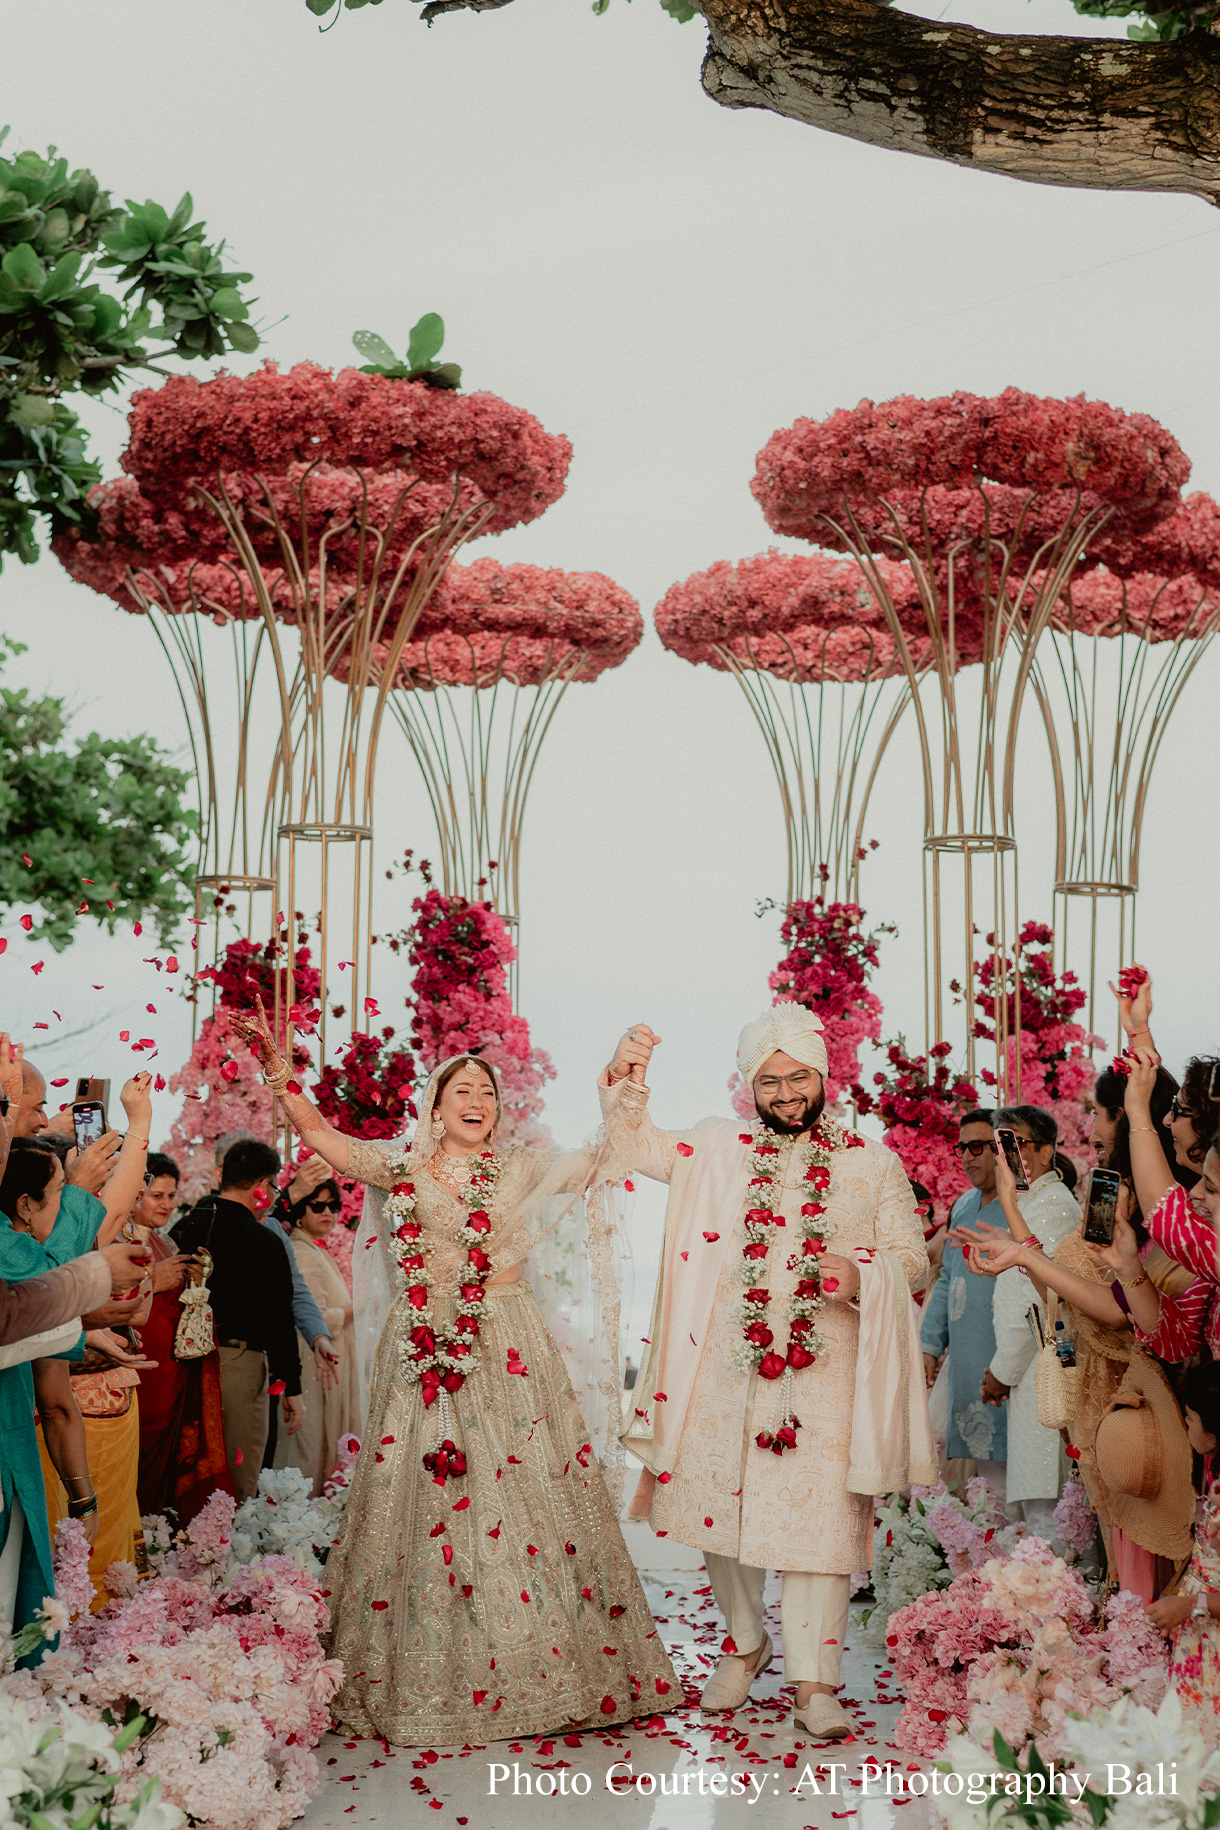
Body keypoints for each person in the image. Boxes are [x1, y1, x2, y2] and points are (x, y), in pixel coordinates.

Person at [229, 997, 678, 1746]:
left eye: (488, 1093)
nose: (478, 1101)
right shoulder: (398, 1164)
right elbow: (321, 1137)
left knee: (526, 1490)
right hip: (421, 1348)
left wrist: (623, 1088)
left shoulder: (520, 1168)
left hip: (507, 1343)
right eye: (461, 1090)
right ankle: (421, 1664)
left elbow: (601, 1160)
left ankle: (550, 1663)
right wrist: (278, 1071)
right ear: (434, 1106)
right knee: (428, 1494)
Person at [612, 1003, 933, 1742]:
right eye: (769, 1083)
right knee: (717, 1512)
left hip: (826, 1376)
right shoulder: (719, 1152)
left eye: (798, 1078)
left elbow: (912, 1257)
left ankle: (815, 1682)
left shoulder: (871, 1162)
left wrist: (858, 1272)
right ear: (749, 1089)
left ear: (824, 1075)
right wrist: (629, 1082)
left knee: (819, 1523)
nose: (786, 1094)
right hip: (727, 1369)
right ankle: (745, 1642)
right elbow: (635, 1145)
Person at [957, 1153, 1195, 1598]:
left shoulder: (1157, 1255)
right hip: (1105, 1416)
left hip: (1143, 1416)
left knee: (1151, 1555)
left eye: (1113, 1178)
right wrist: (1011, 1212)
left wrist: (1018, 1248)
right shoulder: (1113, 1248)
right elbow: (1060, 1298)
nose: (1095, 1196)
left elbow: (1107, 1311)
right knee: (1120, 1544)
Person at [0, 1073, 154, 1634]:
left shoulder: (26, 1233)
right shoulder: (15, 1246)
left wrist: (82, 1334)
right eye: (19, 1106)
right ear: (25, 1204)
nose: (42, 1118)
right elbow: (40, 1288)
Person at [174, 1132, 338, 1465]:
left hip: (184, 1363)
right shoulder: (262, 1240)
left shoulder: (188, 1226)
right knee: (238, 1477)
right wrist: (291, 1387)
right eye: (275, 1188)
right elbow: (278, 1318)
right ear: (261, 1186)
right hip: (239, 1364)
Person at [978, 1107, 1082, 1538]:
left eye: (1014, 1144)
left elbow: (1037, 1305)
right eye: (999, 1145)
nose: (1005, 1155)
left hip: (1045, 1368)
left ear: (1045, 1152)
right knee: (1038, 1511)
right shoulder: (1033, 1201)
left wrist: (1001, 1373)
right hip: (1030, 1372)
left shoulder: (1053, 1205)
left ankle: (1065, 1601)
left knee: (1052, 1515)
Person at [133, 1153, 234, 1523]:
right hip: (137, 1375)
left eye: (171, 1196)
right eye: (157, 1195)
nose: (167, 1204)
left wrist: (196, 1279)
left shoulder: (167, 1243)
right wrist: (153, 1279)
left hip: (169, 1375)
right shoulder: (111, 1237)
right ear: (135, 1193)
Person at [920, 1110, 1007, 1494]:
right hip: (964, 1359)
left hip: (1005, 1361)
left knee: (1010, 1488)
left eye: (977, 1147)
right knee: (973, 1488)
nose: (969, 1157)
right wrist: (928, 1344)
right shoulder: (963, 1204)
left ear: (1002, 1150)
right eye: (963, 1149)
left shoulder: (1021, 1207)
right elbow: (945, 1278)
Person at [273, 1175, 359, 1494]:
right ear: (297, 1210)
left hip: (324, 1358)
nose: (328, 1212)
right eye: (317, 1205)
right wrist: (361, 1306)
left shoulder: (315, 1249)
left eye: (334, 1206)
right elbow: (316, 1317)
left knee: (321, 1443)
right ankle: (299, 1524)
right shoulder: (302, 1251)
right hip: (312, 1360)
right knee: (309, 1444)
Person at [1156, 1361, 1220, 1747]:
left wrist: (1190, 1605)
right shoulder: (1215, 1479)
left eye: (1190, 1418)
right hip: (1201, 1641)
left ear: (1214, 1432)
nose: (1186, 1426)